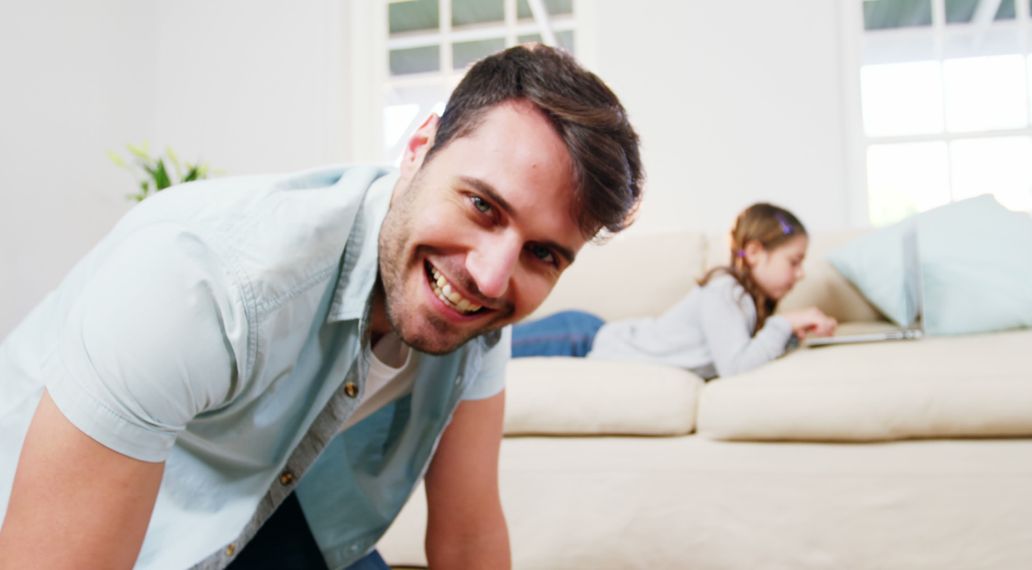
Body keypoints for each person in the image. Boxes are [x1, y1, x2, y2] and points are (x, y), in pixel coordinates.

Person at [0, 44, 643, 570]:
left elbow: (469, 539)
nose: (489, 276)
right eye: (481, 205)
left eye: (543, 254)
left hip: (259, 519)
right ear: (419, 148)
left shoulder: (480, 325)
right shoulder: (200, 280)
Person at [511, 203, 836, 379]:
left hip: (589, 336)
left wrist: (791, 334)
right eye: (793, 261)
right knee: (487, 344)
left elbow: (746, 356)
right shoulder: (726, 291)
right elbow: (736, 368)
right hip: (581, 337)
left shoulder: (746, 302)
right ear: (753, 253)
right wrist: (786, 324)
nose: (801, 273)